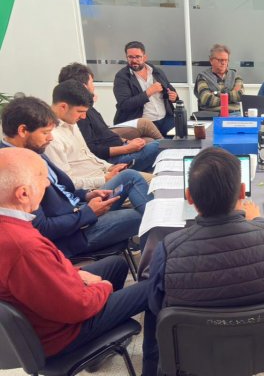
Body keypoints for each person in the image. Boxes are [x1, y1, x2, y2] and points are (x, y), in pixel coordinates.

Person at [0, 147, 156, 376]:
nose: (47, 184)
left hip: (50, 313)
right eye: (42, 178)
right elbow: (77, 307)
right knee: (154, 286)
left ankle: (102, 341)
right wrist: (102, 288)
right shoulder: (22, 246)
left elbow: (43, 274)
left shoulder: (14, 225)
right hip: (63, 334)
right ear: (22, 193)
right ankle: (154, 369)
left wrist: (75, 274)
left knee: (116, 264)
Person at [145, 148, 264, 366]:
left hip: (194, 355)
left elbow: (155, 304)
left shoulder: (167, 250)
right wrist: (257, 224)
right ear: (242, 192)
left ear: (189, 196)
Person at [1, 96, 152, 257]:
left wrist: (87, 195)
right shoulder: (12, 169)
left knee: (129, 176)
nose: (50, 138)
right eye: (45, 132)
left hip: (78, 208)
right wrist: (88, 213)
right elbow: (42, 229)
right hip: (73, 234)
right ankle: (158, 256)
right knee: (144, 216)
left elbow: (61, 188)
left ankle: (161, 243)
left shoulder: (31, 148)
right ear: (23, 131)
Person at [44, 80, 152, 189]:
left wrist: (110, 167)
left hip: (103, 174)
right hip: (94, 187)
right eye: (80, 111)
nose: (83, 117)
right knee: (154, 182)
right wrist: (105, 179)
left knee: (155, 180)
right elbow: (66, 182)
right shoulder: (51, 138)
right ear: (63, 107)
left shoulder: (70, 121)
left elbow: (88, 155)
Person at [59, 62, 160, 172]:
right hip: (111, 160)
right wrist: (127, 148)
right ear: (83, 87)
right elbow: (94, 150)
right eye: (92, 82)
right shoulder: (79, 116)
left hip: (118, 147)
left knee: (150, 141)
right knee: (159, 145)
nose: (94, 86)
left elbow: (105, 133)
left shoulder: (87, 108)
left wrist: (127, 142)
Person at [113, 41, 178, 136]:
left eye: (137, 57)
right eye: (130, 57)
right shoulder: (122, 77)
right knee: (157, 144)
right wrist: (148, 92)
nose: (134, 60)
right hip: (143, 123)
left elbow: (170, 89)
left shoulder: (156, 71)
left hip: (166, 118)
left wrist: (174, 97)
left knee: (181, 138)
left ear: (145, 57)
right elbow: (125, 104)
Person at [193, 43, 244, 114]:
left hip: (234, 114)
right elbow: (206, 99)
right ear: (211, 60)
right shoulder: (202, 77)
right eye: (220, 60)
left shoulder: (236, 76)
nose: (223, 63)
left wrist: (216, 93)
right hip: (211, 114)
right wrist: (230, 96)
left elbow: (239, 95)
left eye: (226, 60)